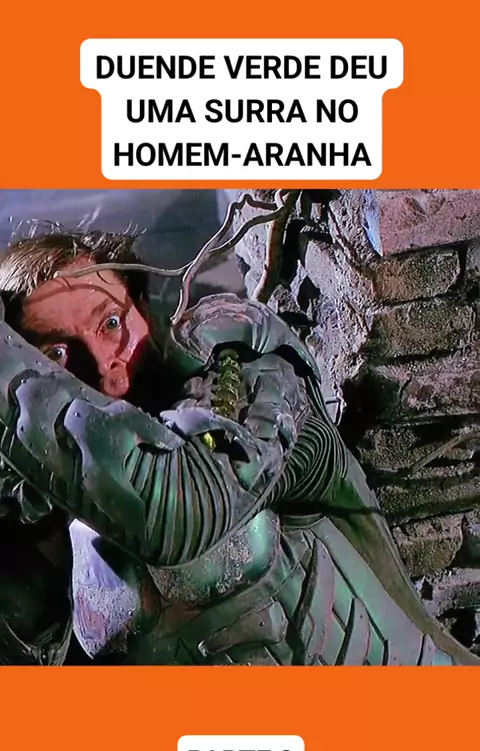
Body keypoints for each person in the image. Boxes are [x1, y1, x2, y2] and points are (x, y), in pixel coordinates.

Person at [0, 229, 477, 666]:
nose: (104, 366)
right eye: (56, 354)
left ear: (143, 310)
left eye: (110, 323)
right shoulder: (50, 501)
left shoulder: (236, 358)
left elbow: (186, 509)